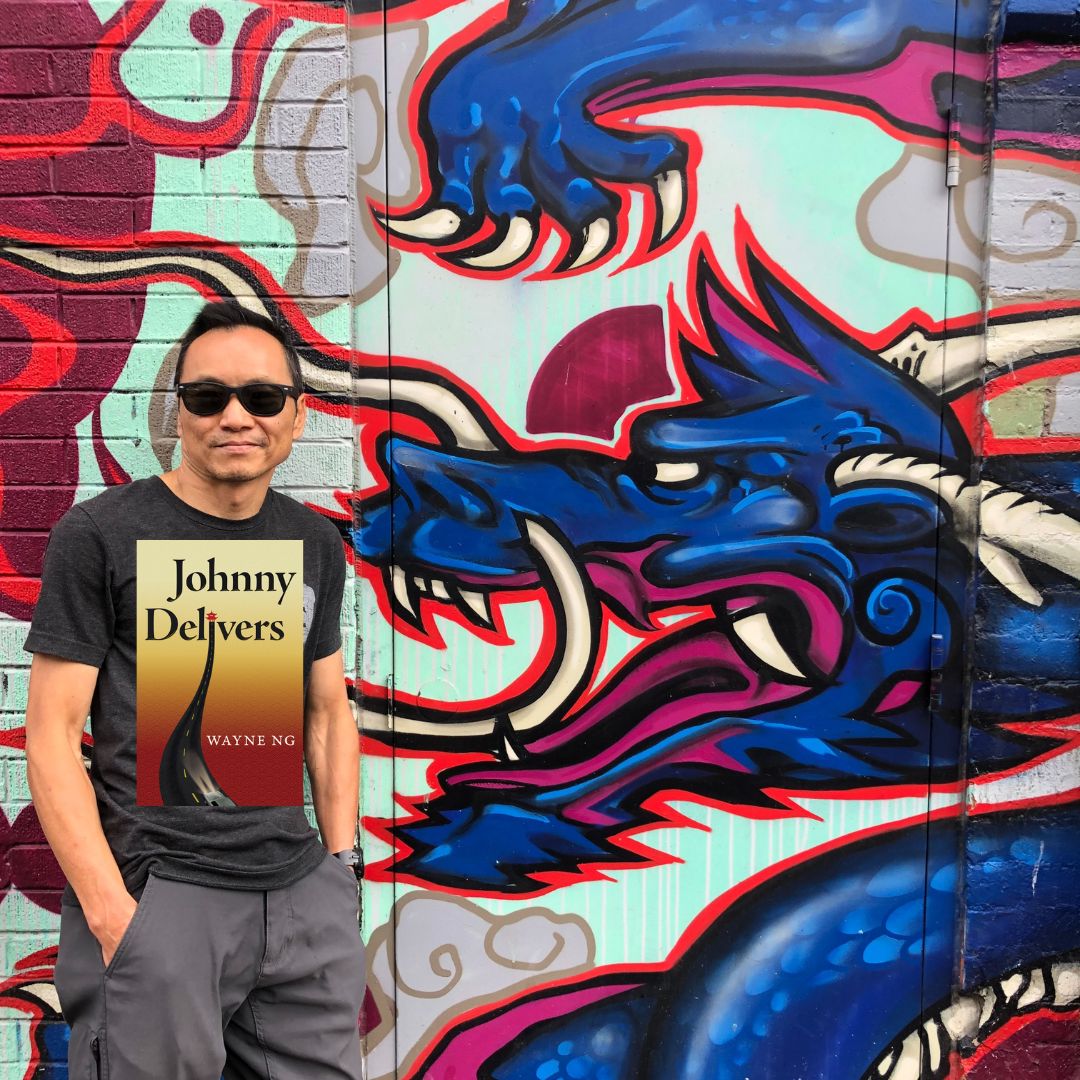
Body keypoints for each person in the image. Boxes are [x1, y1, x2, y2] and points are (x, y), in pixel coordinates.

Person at [24, 303, 365, 1079]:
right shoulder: (102, 534)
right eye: (208, 397)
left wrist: (339, 873)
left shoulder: (309, 541)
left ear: (297, 415)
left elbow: (324, 712)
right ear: (179, 412)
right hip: (164, 899)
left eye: (262, 398)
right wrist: (117, 918)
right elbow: (51, 736)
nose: (235, 416)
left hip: (298, 901)